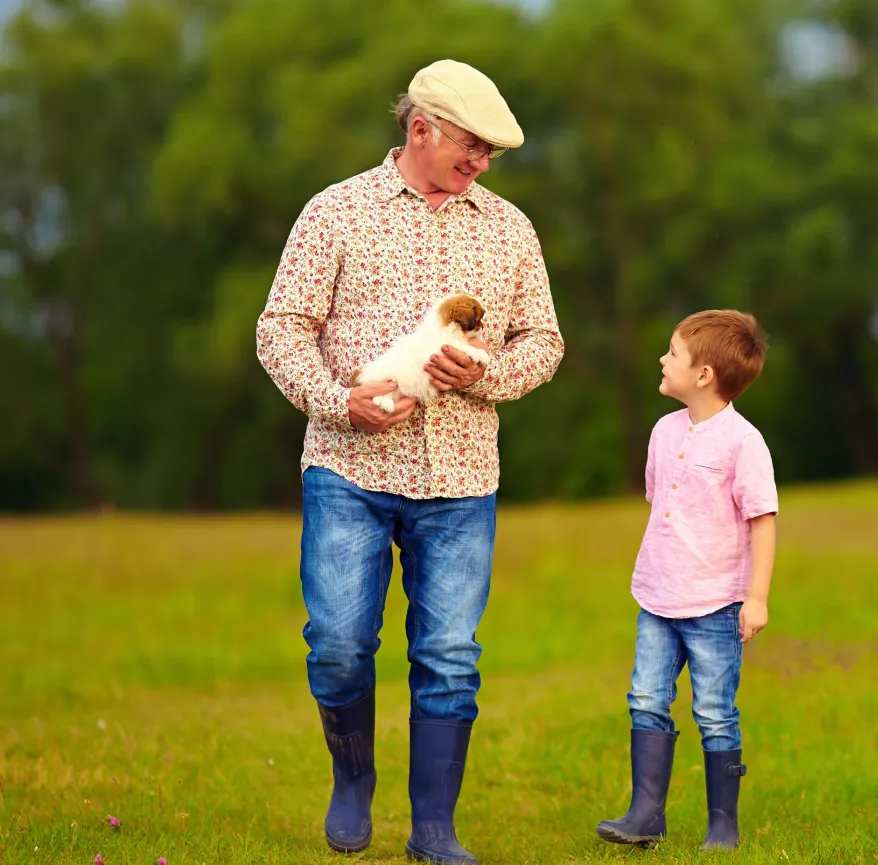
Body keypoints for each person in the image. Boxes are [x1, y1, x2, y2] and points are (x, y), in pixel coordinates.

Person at [254, 58, 563, 865]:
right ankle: (352, 774)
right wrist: (336, 398)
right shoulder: (335, 212)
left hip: (462, 476)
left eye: (492, 152)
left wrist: (490, 374)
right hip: (347, 467)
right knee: (339, 643)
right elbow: (279, 328)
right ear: (420, 127)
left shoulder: (509, 229)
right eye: (472, 145)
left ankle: (434, 830)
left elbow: (546, 341)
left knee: (451, 654)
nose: (482, 163)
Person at [595, 310, 778, 852]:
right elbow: (661, 502)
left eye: (671, 353)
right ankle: (645, 814)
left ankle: (723, 825)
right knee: (646, 697)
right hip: (657, 597)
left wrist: (757, 597)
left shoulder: (743, 443)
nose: (661, 359)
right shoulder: (663, 431)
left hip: (717, 604)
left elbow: (762, 520)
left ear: (703, 375)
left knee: (714, 712)